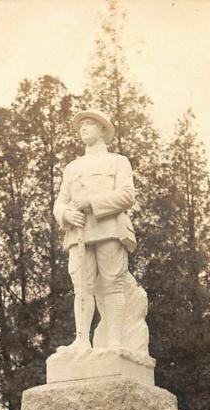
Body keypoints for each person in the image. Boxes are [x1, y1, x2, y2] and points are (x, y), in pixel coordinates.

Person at [53, 109, 137, 352]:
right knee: (81, 286)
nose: (84, 128)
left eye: (90, 123)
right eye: (81, 125)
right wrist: (65, 214)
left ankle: (114, 341)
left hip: (108, 229)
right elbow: (61, 201)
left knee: (112, 284)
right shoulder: (72, 168)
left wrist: (91, 203)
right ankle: (81, 341)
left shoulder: (118, 162)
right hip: (78, 233)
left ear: (103, 130)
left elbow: (127, 195)